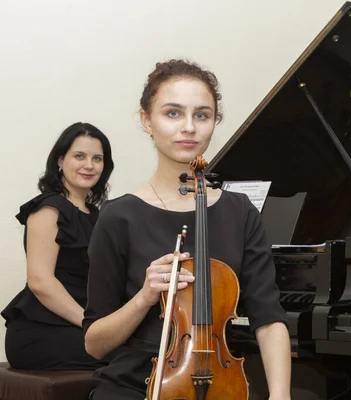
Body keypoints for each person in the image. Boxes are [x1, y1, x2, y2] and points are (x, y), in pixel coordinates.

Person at [82, 59, 291, 400]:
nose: (189, 128)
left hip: (220, 383)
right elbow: (94, 343)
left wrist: (281, 396)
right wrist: (145, 296)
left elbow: (268, 319)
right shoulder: (118, 216)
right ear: (146, 121)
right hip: (133, 387)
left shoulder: (240, 212)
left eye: (202, 115)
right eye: (173, 113)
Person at [2, 122, 114, 370]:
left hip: (80, 327)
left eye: (97, 158)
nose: (89, 165)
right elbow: (40, 282)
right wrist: (92, 327)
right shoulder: (49, 208)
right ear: (60, 161)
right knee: (130, 359)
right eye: (79, 156)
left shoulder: (97, 216)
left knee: (140, 351)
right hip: (42, 333)